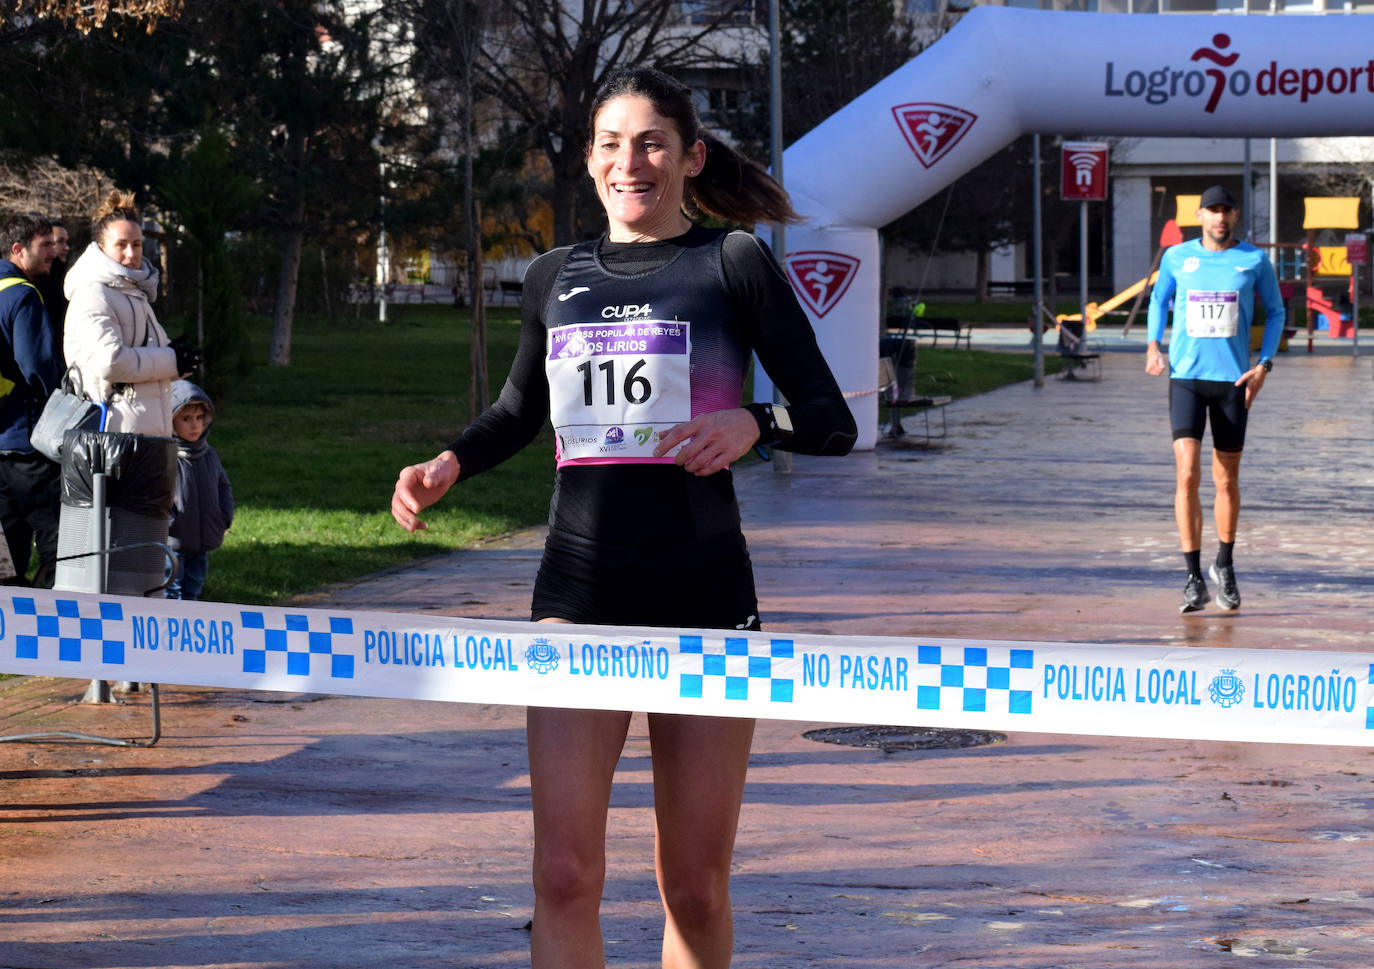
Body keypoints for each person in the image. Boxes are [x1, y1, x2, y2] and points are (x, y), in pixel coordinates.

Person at [391, 67, 856, 969]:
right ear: (590, 161)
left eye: (650, 142)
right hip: (578, 589)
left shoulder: (732, 262)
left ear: (691, 158)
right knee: (563, 874)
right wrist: (450, 460)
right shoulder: (553, 276)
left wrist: (752, 422)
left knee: (693, 883)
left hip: (706, 594)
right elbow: (518, 411)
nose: (628, 160)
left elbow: (832, 419)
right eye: (610, 142)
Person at [1146, 185, 1284, 614]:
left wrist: (1264, 365)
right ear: (1200, 216)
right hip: (1186, 378)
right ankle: (1191, 578)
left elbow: (1276, 312)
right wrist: (1153, 344)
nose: (1220, 218)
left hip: (1233, 383)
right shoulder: (1177, 257)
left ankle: (1224, 564)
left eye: (1227, 211)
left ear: (1236, 216)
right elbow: (1158, 298)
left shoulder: (1254, 260)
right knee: (1186, 475)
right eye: (1212, 211)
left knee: (1225, 479)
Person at [64, 191, 200, 438]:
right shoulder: (93, 293)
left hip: (146, 436)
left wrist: (180, 361)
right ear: (101, 247)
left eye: (136, 244)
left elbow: (147, 363)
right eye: (121, 245)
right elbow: (110, 362)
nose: (131, 253)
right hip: (113, 438)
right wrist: (170, 359)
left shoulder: (134, 291)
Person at [0, 212, 63, 586]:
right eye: (45, 245)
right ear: (18, 249)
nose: (54, 251)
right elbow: (37, 367)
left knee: (6, 559)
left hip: (1, 443)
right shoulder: (23, 295)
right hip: (29, 445)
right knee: (58, 551)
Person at [165, 380, 233, 600]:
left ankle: (191, 632)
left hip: (202, 541)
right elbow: (158, 494)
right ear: (171, 421)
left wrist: (224, 517)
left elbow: (223, 486)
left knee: (194, 588)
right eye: (186, 419)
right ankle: (171, 631)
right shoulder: (168, 457)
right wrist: (169, 523)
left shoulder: (209, 455)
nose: (195, 425)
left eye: (199, 418)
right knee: (172, 590)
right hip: (174, 541)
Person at [35, 217, 70, 346]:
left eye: (67, 242)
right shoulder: (38, 282)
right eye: (60, 242)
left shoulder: (69, 278)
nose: (66, 248)